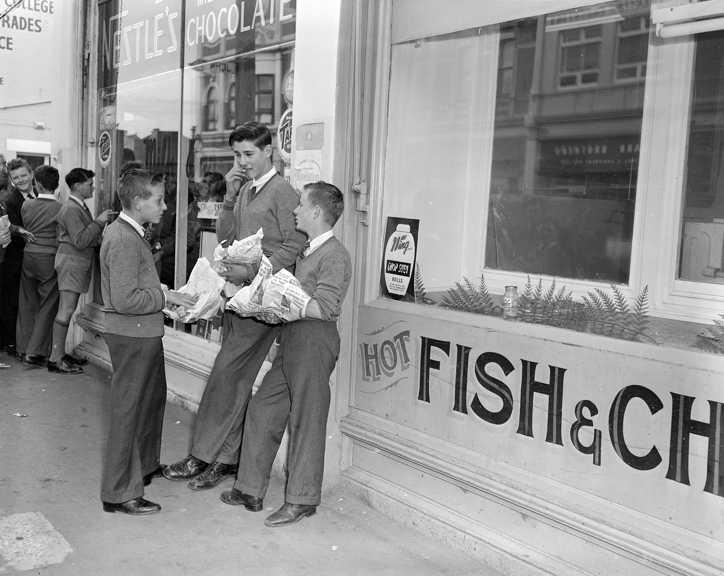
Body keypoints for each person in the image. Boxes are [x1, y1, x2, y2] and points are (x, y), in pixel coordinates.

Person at [163, 121, 306, 490]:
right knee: (233, 379)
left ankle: (203, 456)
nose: (242, 162)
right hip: (239, 297)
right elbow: (227, 235)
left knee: (226, 376)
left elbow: (298, 241)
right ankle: (223, 458)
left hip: (263, 301)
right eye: (237, 155)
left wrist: (258, 269)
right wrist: (229, 195)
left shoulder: (282, 192)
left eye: (249, 154)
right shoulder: (245, 190)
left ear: (269, 151)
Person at [220, 181, 352, 527]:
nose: (295, 209)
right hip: (292, 338)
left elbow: (325, 307)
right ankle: (249, 488)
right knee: (263, 408)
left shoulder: (335, 255)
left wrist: (284, 302)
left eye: (301, 205)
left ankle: (302, 500)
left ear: (316, 212)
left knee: (307, 420)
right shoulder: (307, 250)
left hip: (314, 340)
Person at [100, 169, 196, 516]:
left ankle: (143, 466)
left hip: (143, 332)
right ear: (138, 202)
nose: (165, 206)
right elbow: (126, 300)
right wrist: (165, 295)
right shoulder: (124, 238)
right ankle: (119, 492)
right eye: (159, 200)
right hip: (132, 333)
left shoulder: (129, 231)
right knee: (129, 410)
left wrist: (165, 296)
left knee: (150, 403)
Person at [48, 168, 114, 374]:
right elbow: (79, 240)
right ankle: (55, 359)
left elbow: (84, 236)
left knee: (68, 308)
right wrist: (99, 222)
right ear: (77, 186)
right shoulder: (71, 209)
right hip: (72, 262)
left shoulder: (78, 207)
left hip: (75, 262)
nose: (93, 187)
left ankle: (59, 355)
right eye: (89, 184)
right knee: (66, 309)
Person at [16, 165, 63, 368]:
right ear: (57, 185)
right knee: (48, 304)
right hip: (49, 258)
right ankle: (34, 352)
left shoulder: (27, 205)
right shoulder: (61, 209)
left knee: (27, 303)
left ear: (37, 183)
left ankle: (22, 347)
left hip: (29, 256)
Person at [1, 158, 36, 358]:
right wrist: (19, 231)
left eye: (23, 175)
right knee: (13, 302)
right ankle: (13, 344)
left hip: (37, 258)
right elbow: (12, 227)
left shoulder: (43, 193)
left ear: (31, 173)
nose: (20, 180)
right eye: (15, 178)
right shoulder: (11, 201)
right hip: (16, 259)